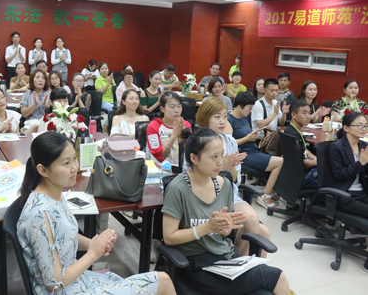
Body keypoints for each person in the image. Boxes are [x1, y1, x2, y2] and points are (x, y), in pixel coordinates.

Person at [17, 132, 176, 294]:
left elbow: (63, 234)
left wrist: (93, 243)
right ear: (43, 170)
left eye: (74, 158)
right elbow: (55, 283)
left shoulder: (53, 194)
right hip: (65, 289)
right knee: (162, 281)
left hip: (77, 281)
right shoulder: (39, 214)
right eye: (66, 163)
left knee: (161, 280)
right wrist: (93, 253)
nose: (74, 167)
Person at [162, 127, 290, 295]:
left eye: (222, 155)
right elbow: (169, 237)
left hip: (225, 260)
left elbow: (225, 234)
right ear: (194, 158)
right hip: (194, 266)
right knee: (277, 277)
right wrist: (208, 227)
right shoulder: (178, 188)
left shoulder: (224, 184)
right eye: (214, 157)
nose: (220, 162)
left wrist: (225, 228)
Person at [195, 97, 271, 256]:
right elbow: (193, 180)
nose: (222, 121)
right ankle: (239, 264)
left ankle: (250, 269)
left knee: (264, 232)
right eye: (217, 117)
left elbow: (235, 181)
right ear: (205, 118)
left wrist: (230, 168)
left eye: (224, 116)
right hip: (204, 196)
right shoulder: (196, 142)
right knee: (252, 223)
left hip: (229, 194)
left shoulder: (230, 141)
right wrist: (221, 167)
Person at [228, 92, 283, 208]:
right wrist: (247, 138)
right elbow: (229, 143)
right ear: (240, 106)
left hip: (253, 150)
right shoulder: (229, 120)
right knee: (280, 162)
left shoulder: (244, 118)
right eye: (249, 108)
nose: (250, 111)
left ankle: (275, 192)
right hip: (243, 154)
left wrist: (251, 135)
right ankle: (265, 195)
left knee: (283, 158)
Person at [329, 111, 368, 219]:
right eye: (359, 125)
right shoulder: (337, 147)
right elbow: (339, 175)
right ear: (346, 128)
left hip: (362, 191)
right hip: (344, 193)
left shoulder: (364, 146)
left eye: (365, 126)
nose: (363, 129)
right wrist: (360, 163)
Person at [147, 92, 192, 170]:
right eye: (172, 107)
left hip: (183, 169)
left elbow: (190, 151)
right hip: (160, 169)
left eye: (179, 106)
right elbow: (159, 156)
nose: (177, 110)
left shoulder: (186, 125)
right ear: (162, 109)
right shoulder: (153, 126)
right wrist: (174, 135)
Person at [284, 100, 319, 189]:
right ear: (294, 115)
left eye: (309, 113)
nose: (308, 116)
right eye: (304, 113)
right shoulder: (294, 135)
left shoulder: (291, 129)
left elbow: (303, 149)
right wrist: (317, 162)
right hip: (300, 177)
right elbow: (301, 163)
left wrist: (315, 158)